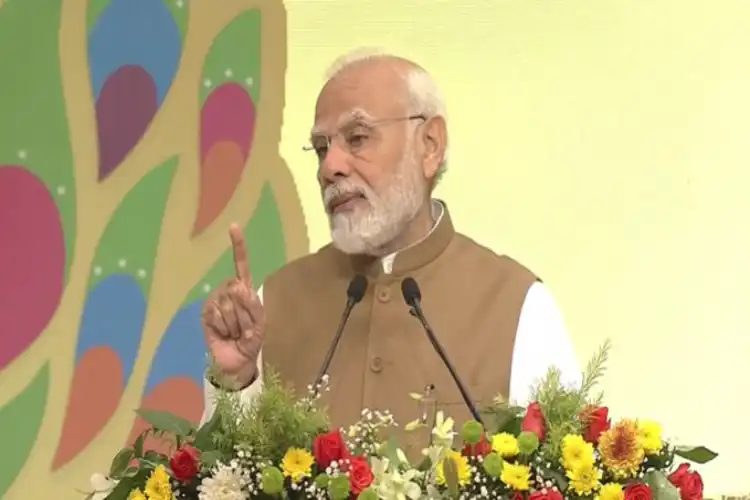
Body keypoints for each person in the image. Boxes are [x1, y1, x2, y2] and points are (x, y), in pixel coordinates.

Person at [200, 50, 581, 445]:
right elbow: (226, 477)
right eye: (320, 148)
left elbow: (566, 474)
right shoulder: (275, 302)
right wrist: (234, 380)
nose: (330, 167)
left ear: (430, 145)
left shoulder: (516, 305)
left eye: (358, 138)